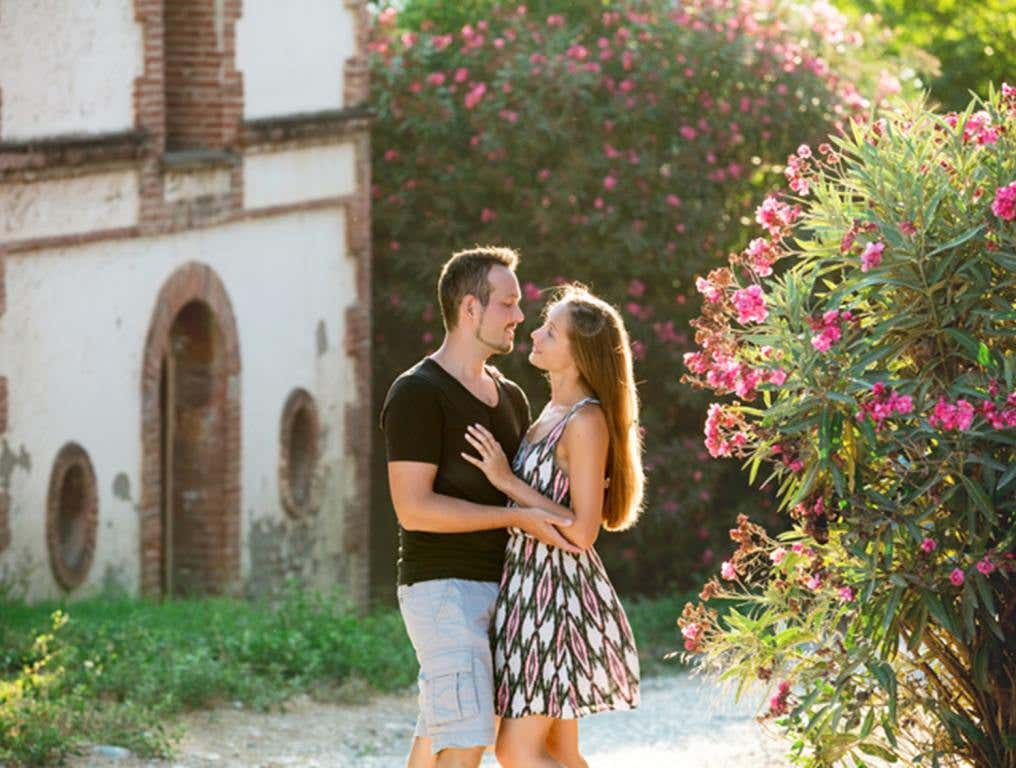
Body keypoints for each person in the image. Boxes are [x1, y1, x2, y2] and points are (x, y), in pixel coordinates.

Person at [380, 246, 580, 768]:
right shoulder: (417, 394)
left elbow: (521, 488)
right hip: (443, 589)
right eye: (508, 304)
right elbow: (413, 509)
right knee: (467, 737)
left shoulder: (512, 396)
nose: (519, 316)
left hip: (508, 592)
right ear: (471, 309)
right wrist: (512, 517)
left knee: (443, 730)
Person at [462, 284, 644, 768]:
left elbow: (583, 532)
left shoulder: (585, 422)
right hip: (528, 588)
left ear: (579, 353)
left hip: (555, 598)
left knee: (515, 752)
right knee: (560, 752)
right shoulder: (550, 413)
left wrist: (505, 480)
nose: (535, 335)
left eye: (551, 331)